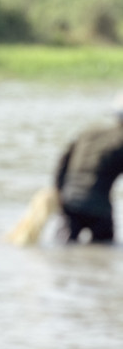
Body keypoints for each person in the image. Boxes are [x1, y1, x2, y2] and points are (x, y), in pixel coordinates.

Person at [53, 93, 123, 243]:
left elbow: (62, 163)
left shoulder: (88, 133)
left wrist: (58, 192)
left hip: (68, 202)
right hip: (98, 208)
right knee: (105, 249)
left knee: (63, 249)